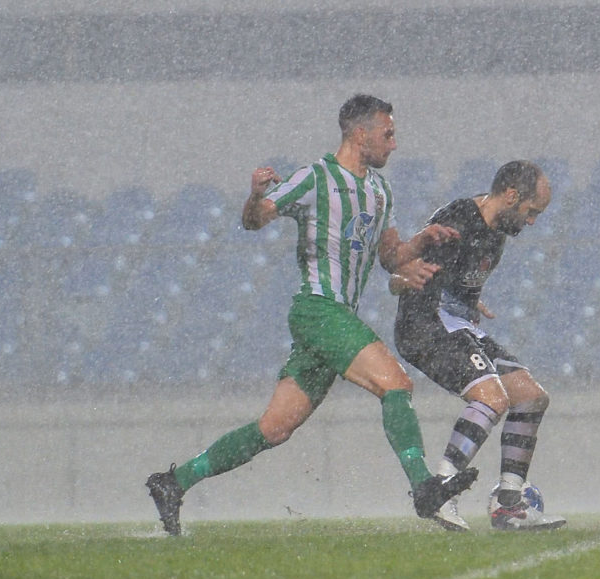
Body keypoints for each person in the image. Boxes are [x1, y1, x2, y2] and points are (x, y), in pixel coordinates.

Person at [146, 94, 477, 535]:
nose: (394, 144)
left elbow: (390, 256)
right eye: (388, 133)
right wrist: (254, 196)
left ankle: (174, 481)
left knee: (274, 429)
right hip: (318, 309)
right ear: (361, 135)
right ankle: (424, 488)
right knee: (396, 383)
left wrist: (420, 243)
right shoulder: (315, 178)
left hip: (330, 319)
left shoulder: (380, 191)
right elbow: (255, 220)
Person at [389, 160, 566, 531]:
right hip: (423, 323)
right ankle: (442, 492)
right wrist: (400, 279)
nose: (531, 222)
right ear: (512, 196)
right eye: (531, 212)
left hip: (456, 322)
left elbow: (459, 281)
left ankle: (509, 504)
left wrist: (469, 302)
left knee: (531, 396)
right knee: (491, 397)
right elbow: (402, 271)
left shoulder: (495, 229)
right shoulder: (458, 221)